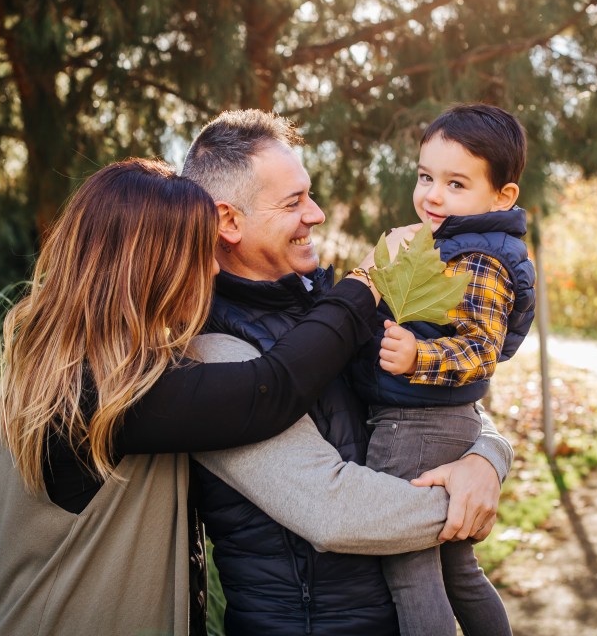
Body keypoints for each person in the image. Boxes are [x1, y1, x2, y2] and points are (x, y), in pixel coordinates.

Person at [0, 158, 406, 636]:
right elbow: (271, 389)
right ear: (149, 265)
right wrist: (366, 283)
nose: (210, 267)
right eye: (197, 251)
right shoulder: (96, 390)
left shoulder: (62, 363)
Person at [181, 110, 515, 635]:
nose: (315, 214)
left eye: (309, 194)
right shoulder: (215, 353)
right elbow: (334, 510)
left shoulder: (331, 303)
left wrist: (486, 458)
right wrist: (461, 503)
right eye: (293, 202)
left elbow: (433, 395)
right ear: (229, 221)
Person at [352, 103, 536, 636]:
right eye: (426, 176)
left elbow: (480, 351)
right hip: (441, 421)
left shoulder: (480, 259)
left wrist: (417, 357)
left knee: (409, 567)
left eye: (456, 184)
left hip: (416, 427)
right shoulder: (446, 244)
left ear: (502, 196)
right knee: (458, 567)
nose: (433, 194)